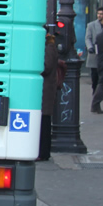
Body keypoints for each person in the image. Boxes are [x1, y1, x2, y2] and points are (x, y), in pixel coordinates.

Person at [39, 31, 59, 160]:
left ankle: (44, 153)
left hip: (46, 90)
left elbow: (46, 67)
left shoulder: (49, 48)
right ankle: (43, 152)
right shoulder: (48, 47)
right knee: (43, 122)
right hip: (45, 89)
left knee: (44, 122)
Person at [84, 7, 103, 93]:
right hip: (94, 52)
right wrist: (90, 47)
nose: (99, 16)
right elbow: (88, 38)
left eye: (101, 14)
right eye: (98, 14)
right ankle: (95, 90)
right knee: (95, 74)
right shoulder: (91, 25)